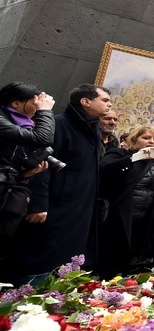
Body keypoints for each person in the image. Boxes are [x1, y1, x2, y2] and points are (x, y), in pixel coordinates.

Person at [19, 84, 111, 283]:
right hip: (54, 207)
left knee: (67, 264)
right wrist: (38, 204)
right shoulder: (59, 124)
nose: (109, 104)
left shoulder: (93, 129)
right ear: (85, 101)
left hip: (79, 208)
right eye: (105, 100)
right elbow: (40, 165)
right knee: (43, 258)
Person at [96, 125, 154, 277]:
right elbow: (105, 171)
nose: (151, 142)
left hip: (145, 219)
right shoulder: (120, 153)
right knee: (108, 263)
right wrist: (137, 157)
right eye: (146, 138)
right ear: (134, 140)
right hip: (118, 217)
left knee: (132, 264)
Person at [0, 82, 54, 247]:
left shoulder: (21, 125)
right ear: (16, 103)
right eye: (35, 102)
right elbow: (42, 138)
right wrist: (44, 111)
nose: (38, 106)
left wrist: (25, 174)